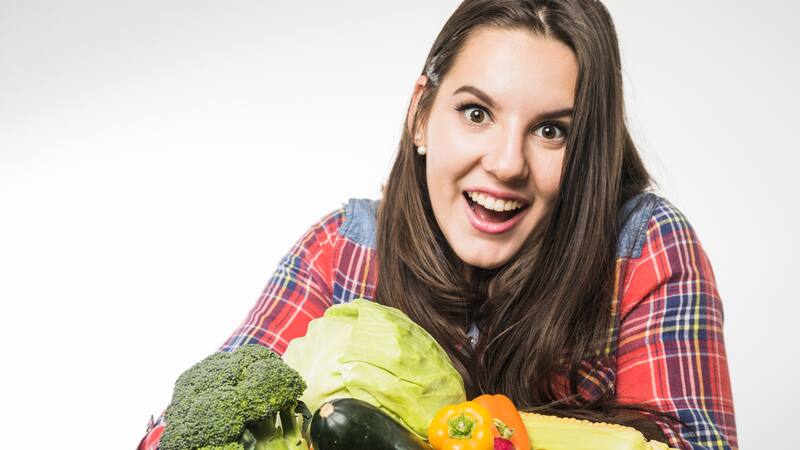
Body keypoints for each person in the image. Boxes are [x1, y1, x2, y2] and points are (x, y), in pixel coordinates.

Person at [137, 1, 737, 449]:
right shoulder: (342, 251)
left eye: (552, 130)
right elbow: (182, 430)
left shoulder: (644, 251)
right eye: (476, 113)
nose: (507, 163)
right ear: (421, 114)